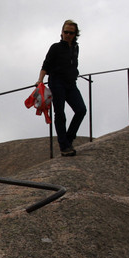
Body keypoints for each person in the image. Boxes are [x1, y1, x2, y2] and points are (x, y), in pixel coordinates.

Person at [37, 20, 87, 157]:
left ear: (75, 34)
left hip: (71, 83)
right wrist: (40, 81)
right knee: (60, 114)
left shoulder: (75, 48)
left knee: (81, 110)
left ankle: (68, 139)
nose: (68, 35)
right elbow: (45, 65)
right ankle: (64, 146)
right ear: (61, 32)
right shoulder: (55, 47)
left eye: (71, 33)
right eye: (65, 32)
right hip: (57, 82)